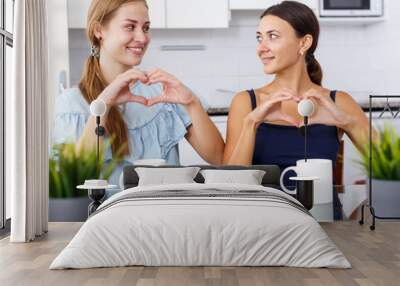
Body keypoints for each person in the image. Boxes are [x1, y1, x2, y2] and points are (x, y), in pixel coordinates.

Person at [53, 0, 224, 188]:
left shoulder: (162, 92)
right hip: (106, 217)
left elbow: (219, 158)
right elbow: (72, 182)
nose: (142, 38)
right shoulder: (71, 103)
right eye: (130, 27)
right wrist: (104, 104)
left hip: (165, 213)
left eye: (146, 28)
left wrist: (192, 103)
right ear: (99, 30)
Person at [223, 1, 369, 216]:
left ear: (304, 42)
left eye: (272, 36)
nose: (261, 48)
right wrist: (251, 123)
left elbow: (392, 166)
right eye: (259, 37)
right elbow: (229, 185)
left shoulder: (338, 101)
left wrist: (347, 122)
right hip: (266, 227)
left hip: (326, 226)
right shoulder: (246, 102)